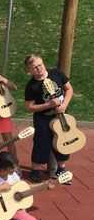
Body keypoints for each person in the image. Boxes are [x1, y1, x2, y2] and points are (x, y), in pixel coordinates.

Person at [24, 54, 74, 183]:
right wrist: (48, 105)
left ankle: (61, 169)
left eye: (40, 65)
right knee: (42, 142)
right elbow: (29, 107)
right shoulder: (32, 85)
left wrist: (64, 105)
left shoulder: (56, 74)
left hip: (61, 115)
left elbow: (69, 89)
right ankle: (36, 170)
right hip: (43, 118)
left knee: (64, 140)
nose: (38, 69)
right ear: (29, 70)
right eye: (34, 68)